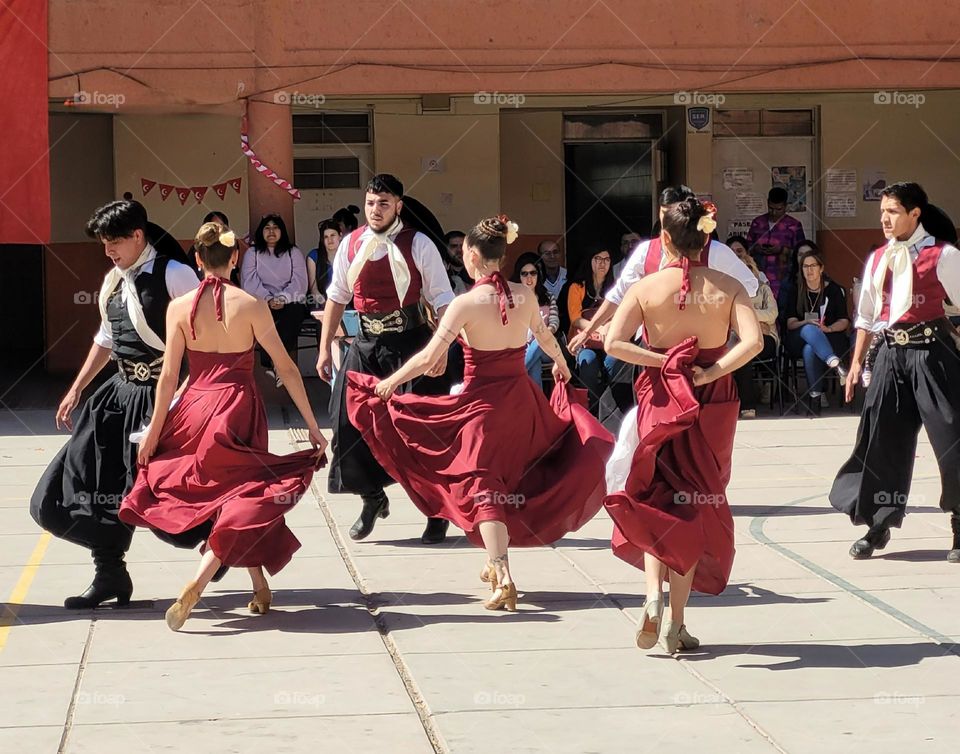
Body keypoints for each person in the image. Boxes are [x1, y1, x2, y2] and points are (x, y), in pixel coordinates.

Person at [346, 215, 613, 611]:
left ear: (472, 255)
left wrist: (390, 382)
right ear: (502, 254)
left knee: (484, 487)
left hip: (484, 409)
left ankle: (502, 573)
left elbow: (429, 357)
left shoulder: (466, 303)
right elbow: (544, 336)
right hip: (522, 405)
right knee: (505, 482)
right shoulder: (524, 294)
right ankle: (494, 564)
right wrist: (561, 365)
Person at [119, 223, 325, 630]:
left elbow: (167, 378)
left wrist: (155, 431)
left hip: (194, 408)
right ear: (234, 259)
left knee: (231, 494)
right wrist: (314, 425)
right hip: (237, 407)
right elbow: (286, 367)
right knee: (247, 493)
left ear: (197, 260)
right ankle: (200, 579)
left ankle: (258, 584)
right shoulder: (250, 304)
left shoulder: (178, 308)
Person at [603, 198, 762, 653]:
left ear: (665, 239)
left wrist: (661, 361)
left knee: (655, 498)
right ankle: (676, 622)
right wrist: (711, 372)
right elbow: (752, 342)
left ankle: (653, 597)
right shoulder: (729, 284)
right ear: (707, 237)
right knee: (694, 502)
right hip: (711, 401)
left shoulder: (646, 287)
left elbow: (613, 343)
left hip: (660, 396)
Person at [30, 200, 200, 609]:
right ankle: (110, 572)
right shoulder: (114, 281)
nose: (108, 251)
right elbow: (106, 340)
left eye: (114, 242)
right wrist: (77, 388)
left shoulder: (176, 275)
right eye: (104, 243)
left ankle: (220, 540)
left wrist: (186, 401)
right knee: (59, 498)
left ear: (138, 236)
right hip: (117, 396)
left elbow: (204, 339)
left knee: (164, 507)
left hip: (164, 398)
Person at [317, 174, 455, 545]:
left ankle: (436, 511)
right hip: (364, 345)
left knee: (420, 431)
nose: (375, 210)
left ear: (398, 206)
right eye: (370, 203)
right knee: (346, 423)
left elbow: (443, 299)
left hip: (411, 345)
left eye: (383, 203)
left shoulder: (419, 243)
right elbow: (336, 297)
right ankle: (371, 497)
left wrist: (439, 349)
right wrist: (324, 346)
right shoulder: (350, 244)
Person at [830, 182, 960, 563]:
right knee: (881, 440)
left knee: (951, 438)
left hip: (932, 354)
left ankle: (959, 522)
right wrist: (856, 364)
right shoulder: (879, 258)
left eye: (892, 211)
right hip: (889, 355)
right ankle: (879, 522)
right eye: (882, 211)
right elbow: (867, 316)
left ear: (914, 214)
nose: (884, 219)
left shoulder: (944, 256)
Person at [567, 186, 758, 355]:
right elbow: (618, 295)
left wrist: (713, 298)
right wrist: (588, 331)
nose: (666, 220)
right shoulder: (645, 251)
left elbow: (750, 286)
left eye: (672, 214)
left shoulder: (716, 252)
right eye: (663, 213)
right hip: (653, 347)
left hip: (707, 349)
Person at [240, 214, 309, 387]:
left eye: (275, 227)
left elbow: (300, 281)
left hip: (290, 301)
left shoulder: (293, 252)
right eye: (267, 228)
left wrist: (283, 298)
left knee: (293, 312)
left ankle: (276, 364)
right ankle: (279, 365)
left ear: (282, 231)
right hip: (262, 301)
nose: (271, 231)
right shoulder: (252, 253)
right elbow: (249, 281)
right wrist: (268, 298)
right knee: (262, 316)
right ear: (261, 232)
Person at [783, 250, 849, 415]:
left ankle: (815, 400)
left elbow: (844, 321)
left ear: (821, 268)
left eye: (813, 266)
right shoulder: (795, 290)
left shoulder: (833, 290)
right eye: (805, 266)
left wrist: (829, 328)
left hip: (829, 337)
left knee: (810, 349)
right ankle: (834, 362)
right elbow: (790, 323)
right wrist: (805, 322)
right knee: (809, 329)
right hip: (799, 336)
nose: (809, 270)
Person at [566, 248, 624, 416]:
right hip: (585, 342)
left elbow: (621, 314)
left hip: (608, 340)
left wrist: (609, 328)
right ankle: (591, 412)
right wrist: (600, 327)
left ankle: (613, 412)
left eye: (606, 259)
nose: (602, 263)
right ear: (589, 261)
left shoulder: (616, 287)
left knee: (614, 364)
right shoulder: (577, 287)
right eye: (597, 258)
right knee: (588, 363)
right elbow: (575, 319)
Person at [728, 236, 779, 418]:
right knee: (738, 350)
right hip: (737, 338)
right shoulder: (730, 293)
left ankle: (748, 405)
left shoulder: (763, 289)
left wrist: (744, 316)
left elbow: (772, 314)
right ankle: (734, 402)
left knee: (745, 349)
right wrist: (757, 320)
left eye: (747, 270)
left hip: (766, 339)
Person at [746, 186, 806, 300]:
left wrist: (782, 250)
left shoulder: (794, 225)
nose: (774, 212)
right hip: (759, 277)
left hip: (784, 279)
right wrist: (756, 249)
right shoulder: (757, 223)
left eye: (778, 209)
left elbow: (802, 253)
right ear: (767, 203)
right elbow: (746, 248)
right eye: (771, 208)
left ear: (785, 206)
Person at [511, 252, 559, 389]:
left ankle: (513, 378)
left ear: (539, 275)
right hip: (521, 348)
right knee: (535, 365)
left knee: (539, 342)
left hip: (546, 347)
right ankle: (538, 405)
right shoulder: (513, 299)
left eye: (533, 273)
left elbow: (555, 321)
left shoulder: (548, 297)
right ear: (518, 276)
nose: (529, 277)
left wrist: (546, 333)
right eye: (524, 273)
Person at [306, 219, 341, 309]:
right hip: (320, 301)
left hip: (343, 301)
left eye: (333, 235)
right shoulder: (313, 257)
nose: (330, 240)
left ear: (340, 236)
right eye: (326, 237)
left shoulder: (347, 256)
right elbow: (313, 289)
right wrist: (326, 304)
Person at [444, 229, 472, 294]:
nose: (459, 250)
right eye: (454, 246)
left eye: (462, 246)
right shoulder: (441, 271)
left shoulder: (475, 271)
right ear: (446, 248)